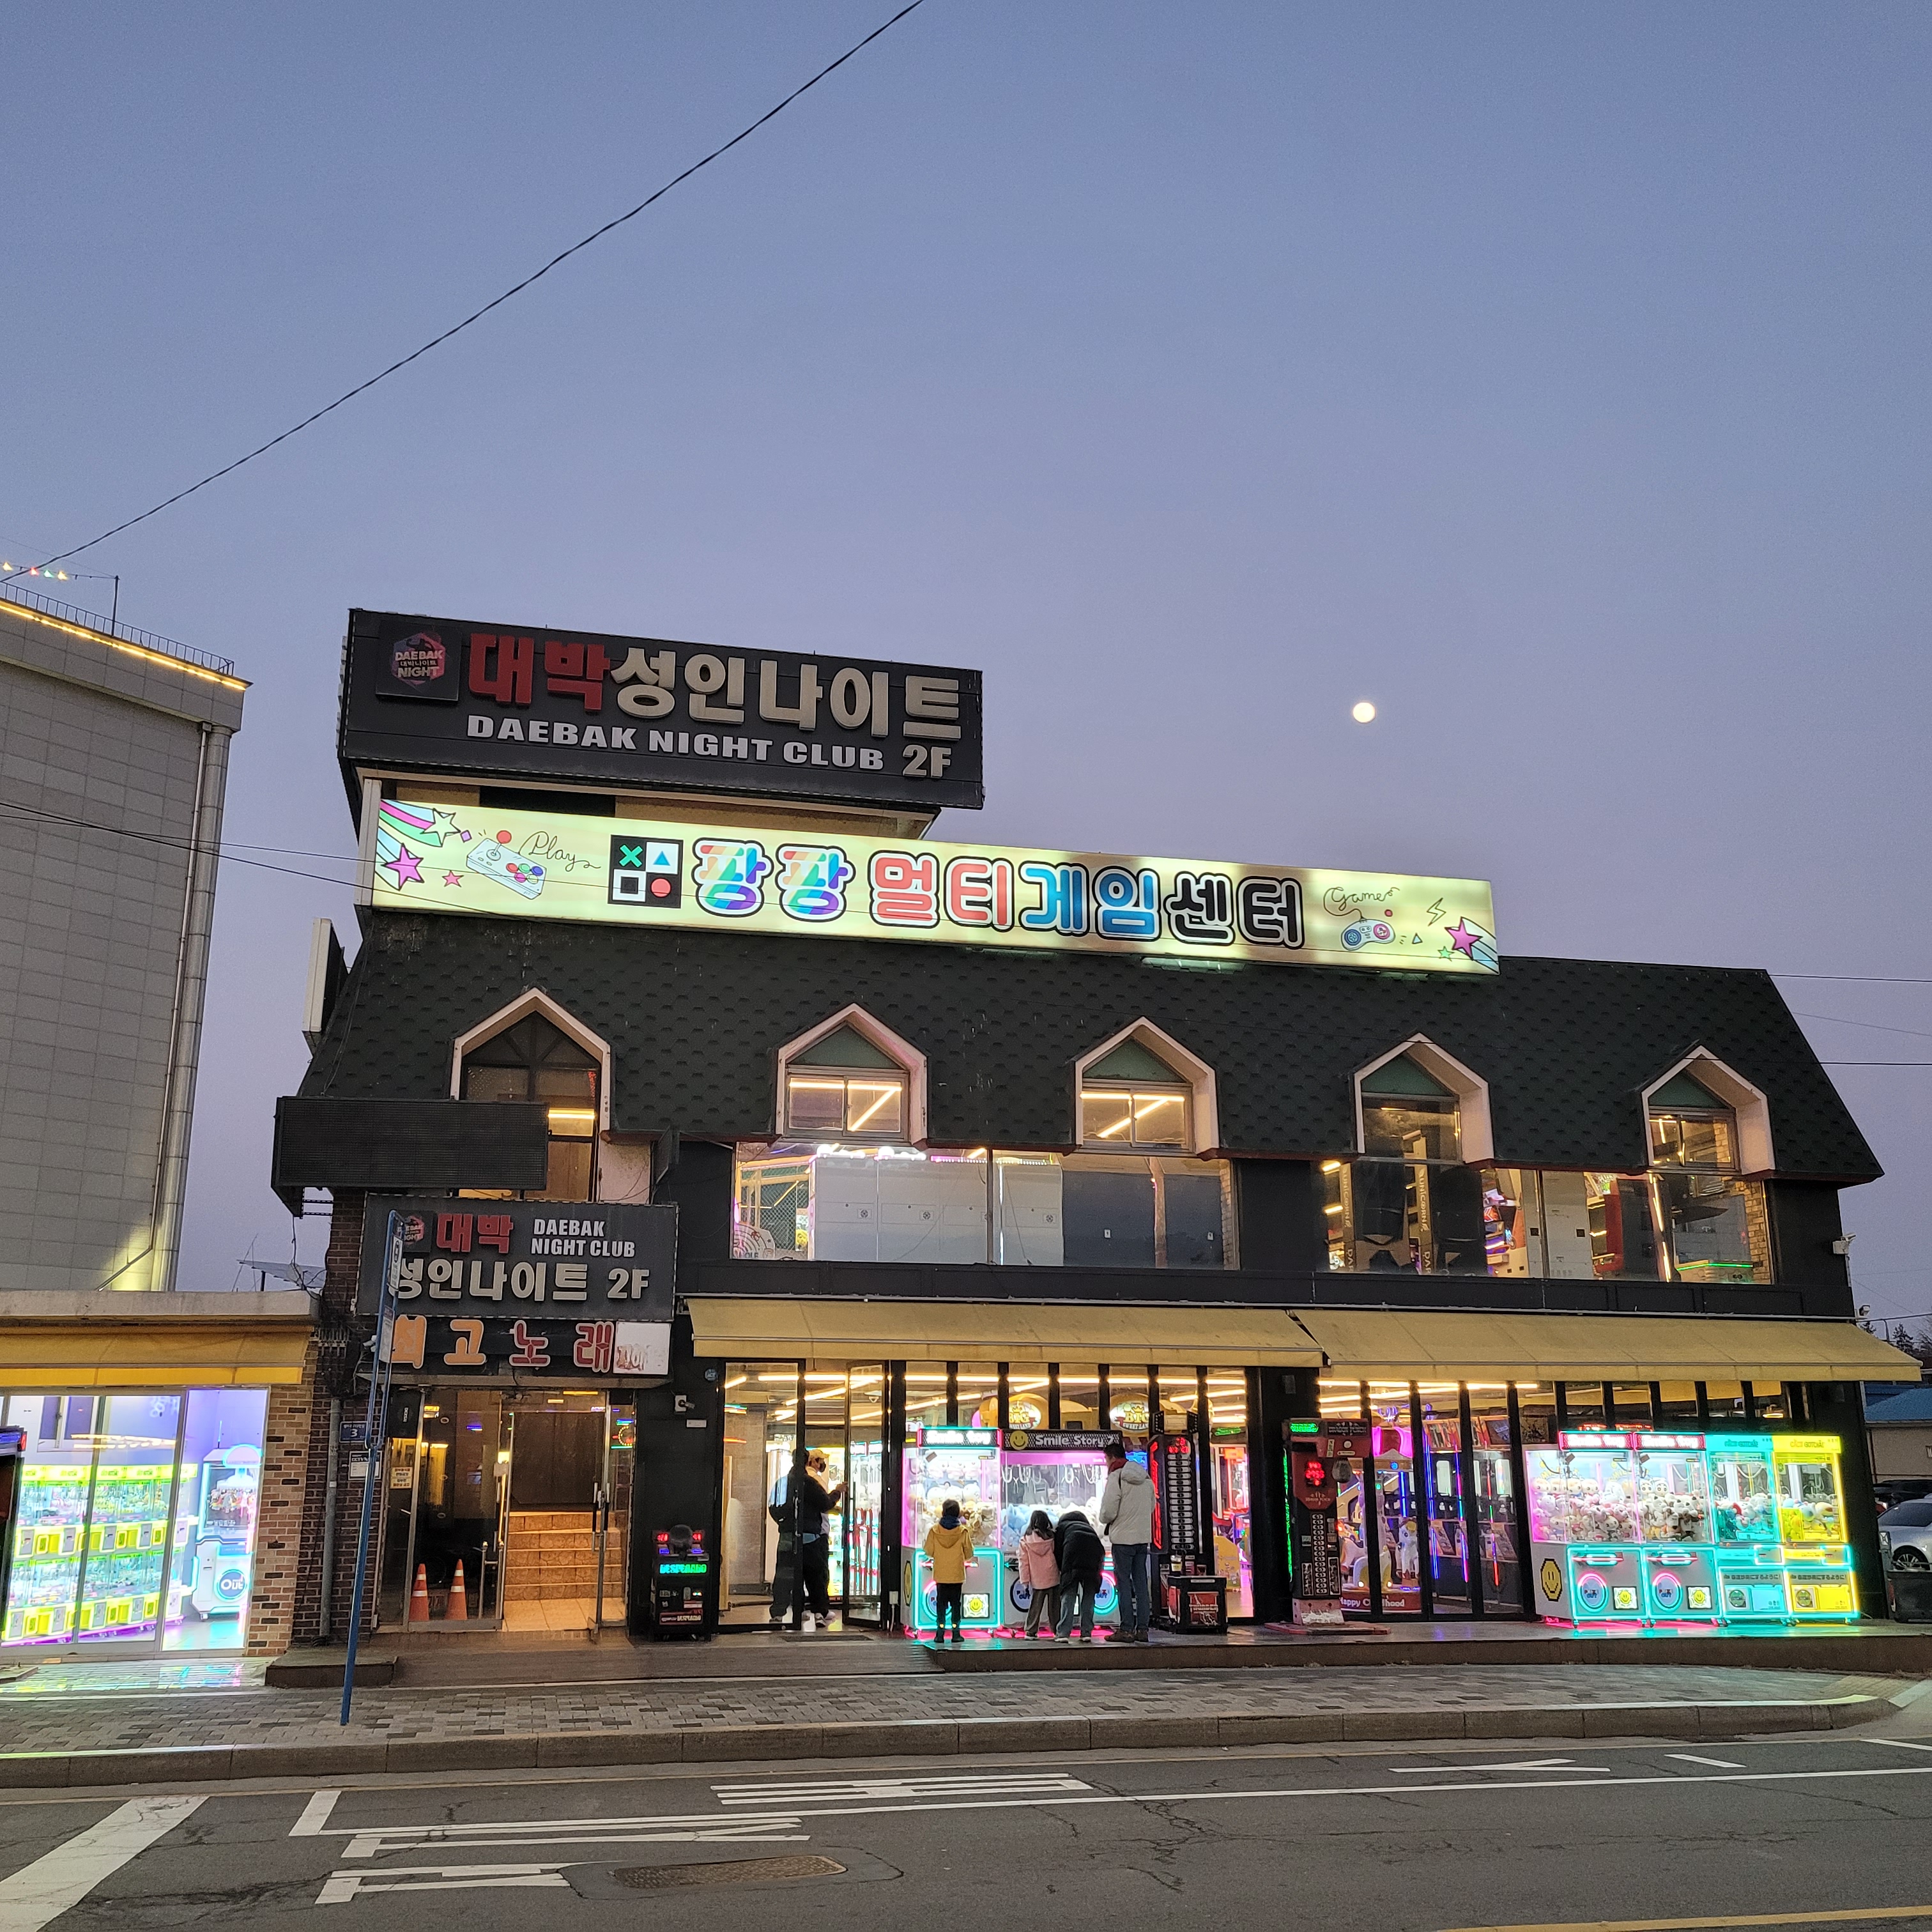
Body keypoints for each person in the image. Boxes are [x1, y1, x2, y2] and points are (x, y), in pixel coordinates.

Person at [1099, 1441, 1157, 1643]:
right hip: (1142, 1540)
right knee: (1141, 1585)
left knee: (1123, 1584)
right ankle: (1143, 1630)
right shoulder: (1146, 1479)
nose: (1107, 1464)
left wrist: (1107, 1519)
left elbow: (1108, 1512)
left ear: (1112, 1458)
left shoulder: (1116, 1477)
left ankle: (1126, 1630)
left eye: (1106, 1460)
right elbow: (1152, 1507)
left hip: (1123, 1540)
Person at [783, 1452, 845, 1632]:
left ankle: (794, 1611)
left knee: (795, 1575)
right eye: (820, 1461)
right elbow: (825, 1503)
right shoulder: (810, 1481)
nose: (822, 1464)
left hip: (790, 1535)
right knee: (817, 1575)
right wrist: (838, 1493)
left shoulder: (787, 1481)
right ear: (810, 1461)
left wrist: (783, 1524)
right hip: (813, 1535)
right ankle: (820, 1612)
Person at [1052, 1508, 1105, 1643]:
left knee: (1069, 1594)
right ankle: (1086, 1632)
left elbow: (1057, 1551)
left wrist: (1062, 1570)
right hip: (1094, 1555)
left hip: (1073, 1554)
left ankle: (1063, 1633)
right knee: (1089, 1596)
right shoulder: (1089, 1528)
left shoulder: (1063, 1527)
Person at [924, 1498, 972, 1642]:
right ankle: (956, 1633)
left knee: (941, 1605)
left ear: (943, 1512)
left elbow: (929, 1551)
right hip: (957, 1575)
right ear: (958, 1514)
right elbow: (969, 1553)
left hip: (941, 1575)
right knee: (956, 1605)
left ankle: (940, 1633)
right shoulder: (963, 1531)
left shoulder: (934, 1531)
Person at [1016, 1508, 1061, 1638]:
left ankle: (1031, 1631)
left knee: (1035, 1606)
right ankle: (1057, 1630)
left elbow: (1023, 1562)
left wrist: (1025, 1581)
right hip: (1052, 1576)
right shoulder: (1052, 1538)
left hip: (1037, 1579)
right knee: (1054, 1608)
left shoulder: (1025, 1540)